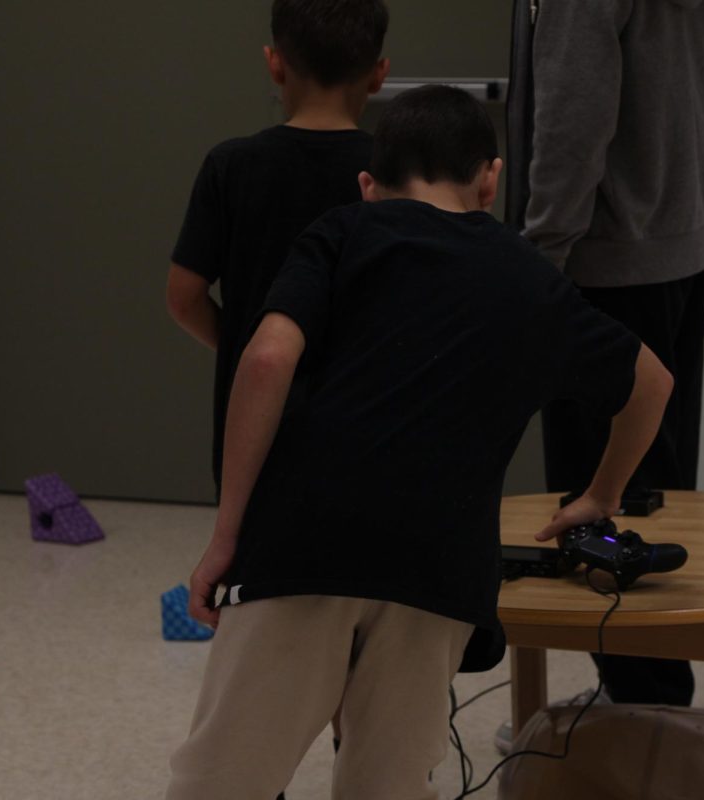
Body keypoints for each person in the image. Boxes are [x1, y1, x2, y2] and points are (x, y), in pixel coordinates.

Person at [164, 85, 674, 799]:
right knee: (388, 784)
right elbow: (652, 384)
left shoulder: (340, 233)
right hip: (437, 573)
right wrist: (601, 494)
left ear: (370, 185)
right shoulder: (528, 277)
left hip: (303, 547)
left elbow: (267, 360)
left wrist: (226, 537)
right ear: (491, 180)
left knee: (222, 782)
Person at [499, 0, 704, 751]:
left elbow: (573, 119)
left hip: (609, 256)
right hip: (681, 236)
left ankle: (646, 730)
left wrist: (541, 263)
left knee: (605, 499)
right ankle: (652, 706)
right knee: (655, 486)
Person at [166, 0, 390, 495]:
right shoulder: (392, 171)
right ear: (378, 75)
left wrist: (249, 350)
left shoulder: (230, 166)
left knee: (252, 559)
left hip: (254, 430)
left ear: (275, 63)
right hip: (366, 424)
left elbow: (183, 297)